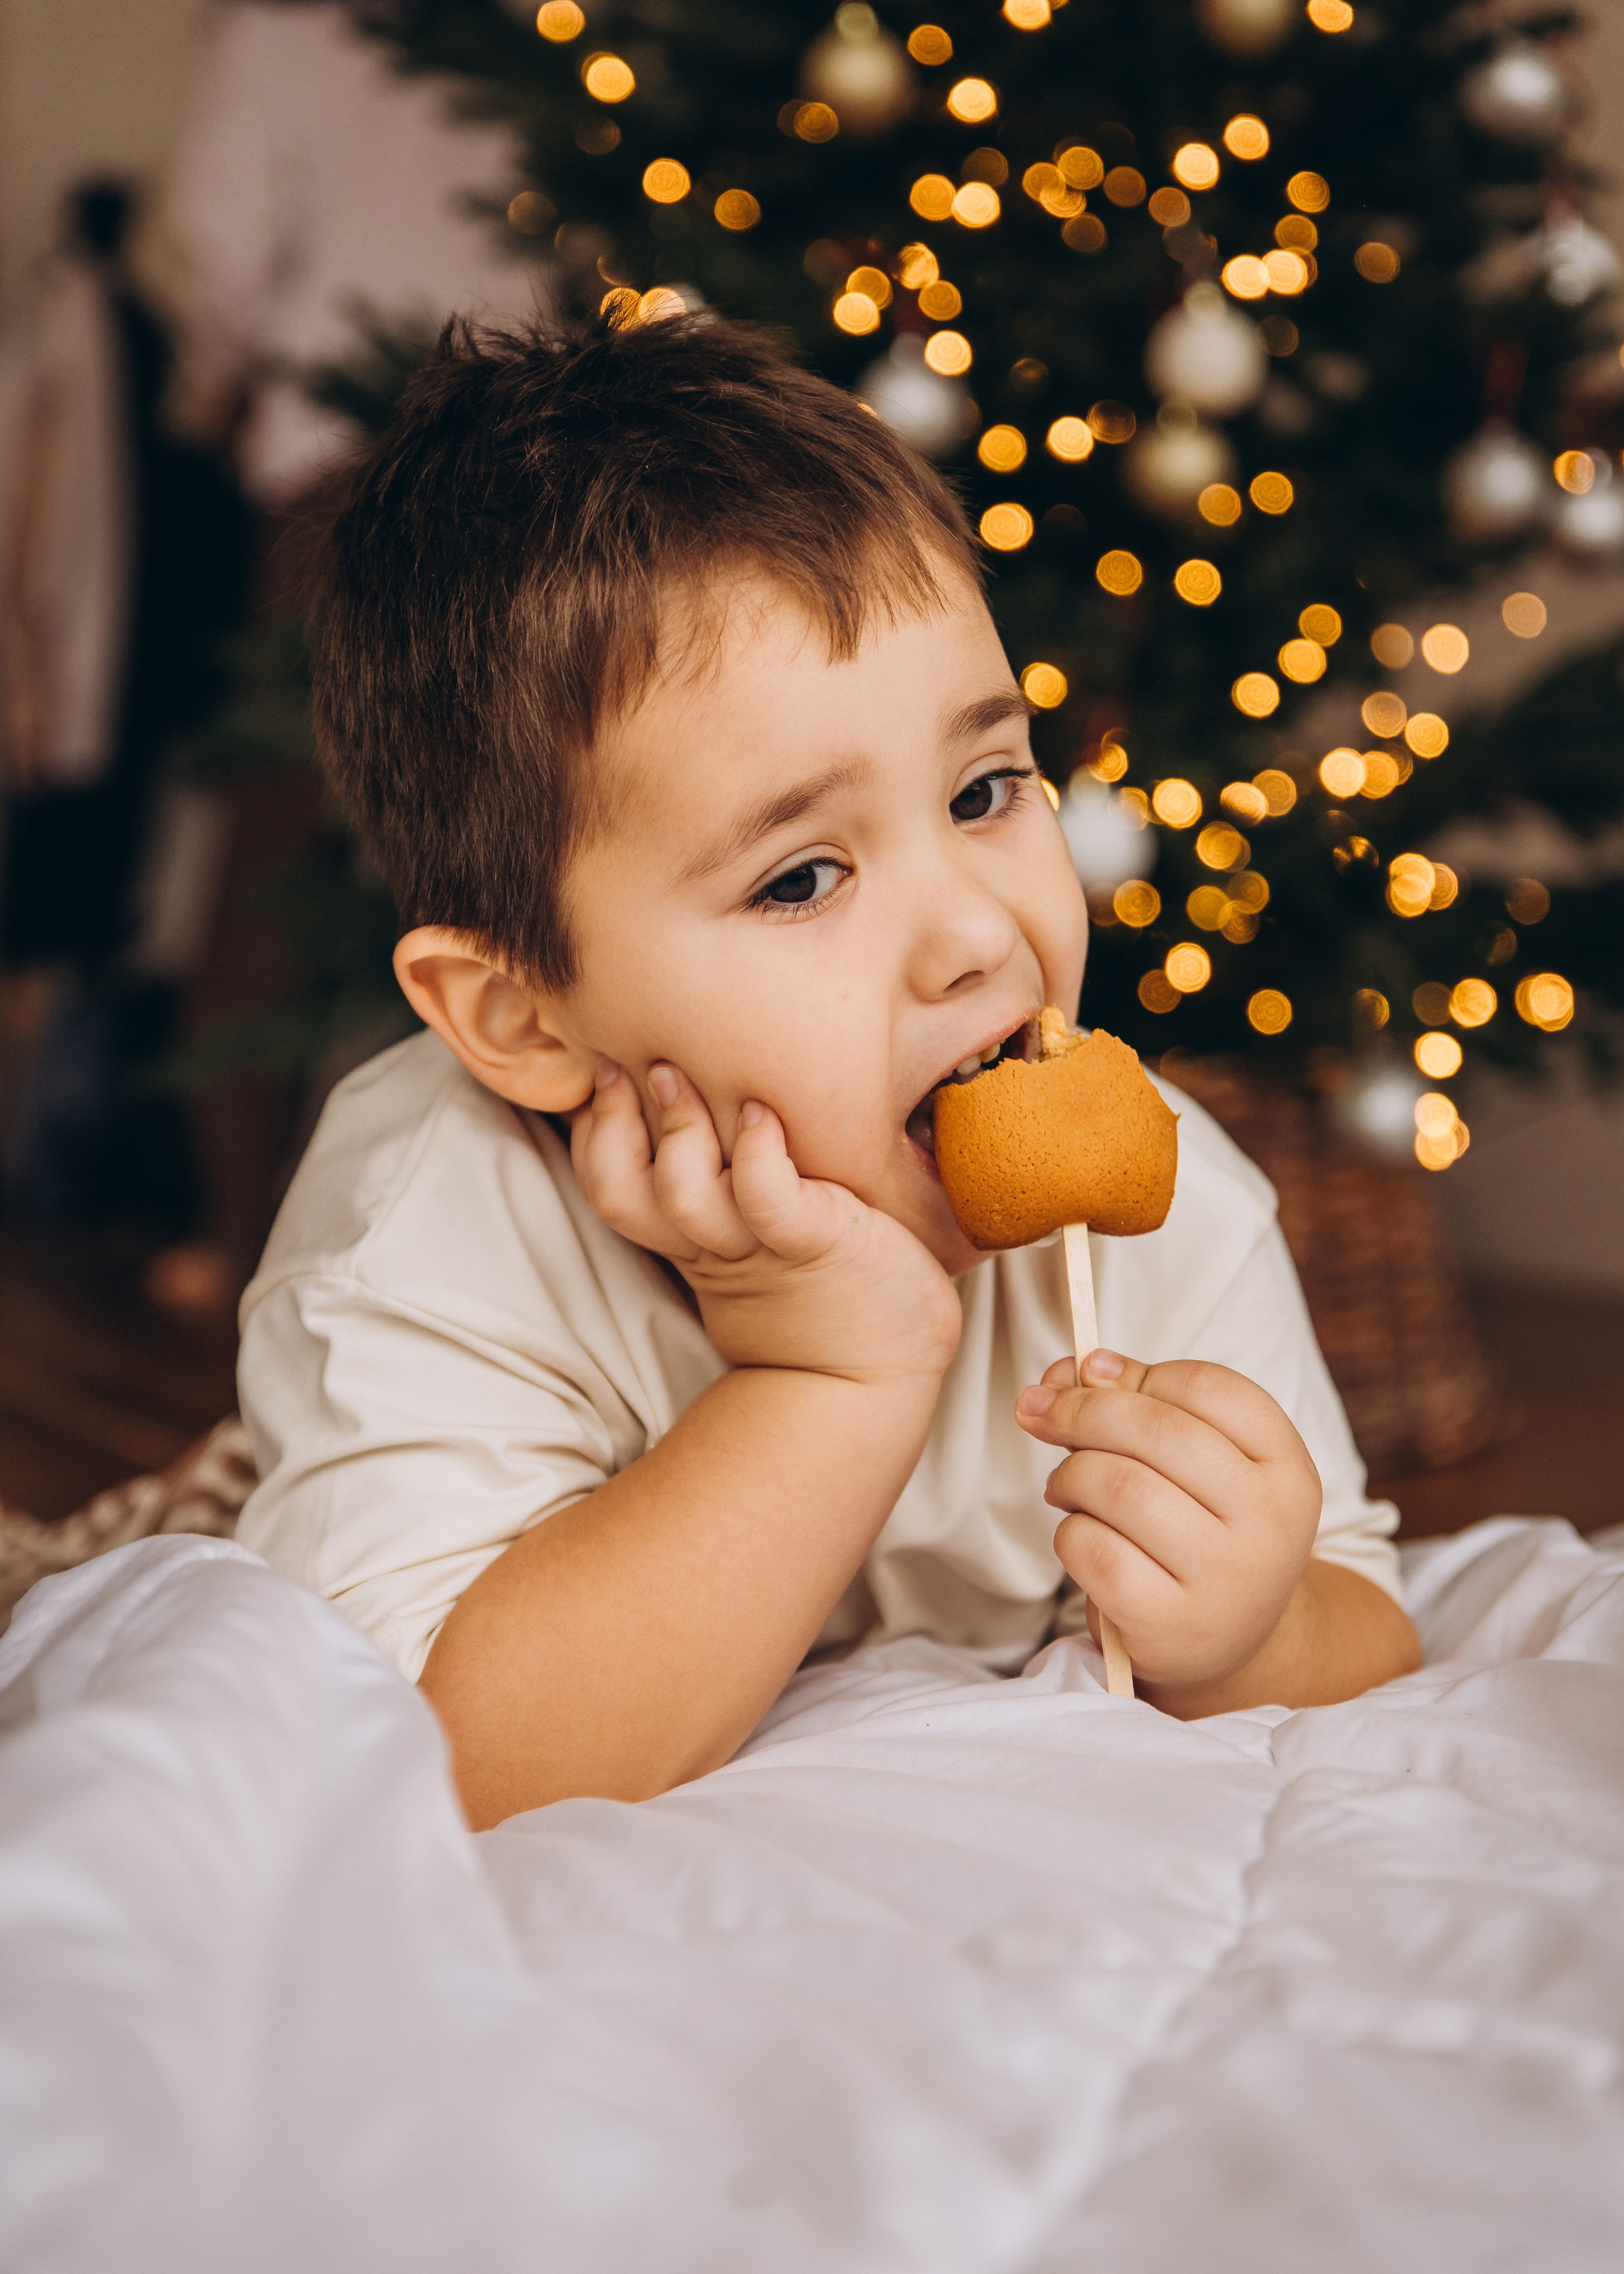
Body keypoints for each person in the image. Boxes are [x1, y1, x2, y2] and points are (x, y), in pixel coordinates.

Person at [235, 315, 1420, 1831]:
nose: (978, 934)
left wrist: (1256, 1628)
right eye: (801, 879)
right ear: (526, 1019)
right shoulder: (420, 1225)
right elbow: (446, 1764)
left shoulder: (1164, 1206)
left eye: (987, 789)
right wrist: (825, 1372)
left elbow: (1371, 1636)